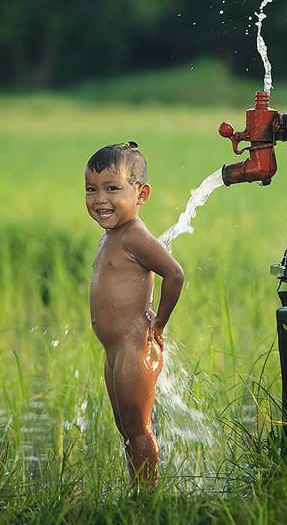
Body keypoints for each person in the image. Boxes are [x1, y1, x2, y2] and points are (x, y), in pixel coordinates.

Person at [85, 142, 185, 486]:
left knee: (137, 427)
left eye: (112, 188)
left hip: (133, 347)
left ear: (141, 194)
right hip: (115, 351)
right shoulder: (112, 234)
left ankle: (148, 499)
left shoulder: (134, 236)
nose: (100, 199)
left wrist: (160, 321)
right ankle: (139, 493)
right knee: (125, 426)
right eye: (91, 189)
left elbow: (174, 273)